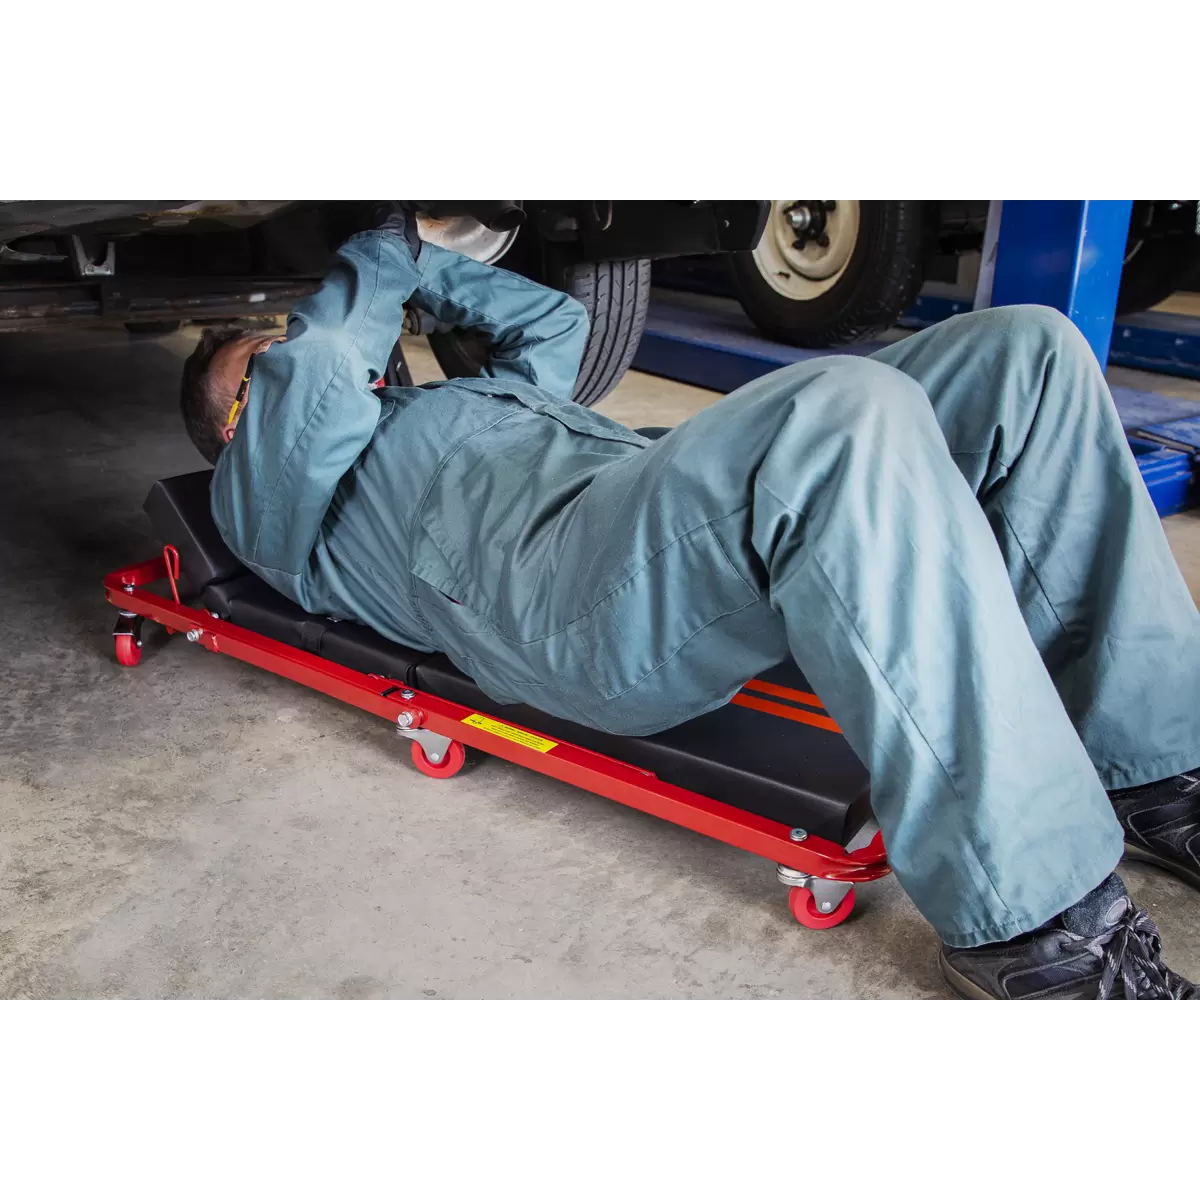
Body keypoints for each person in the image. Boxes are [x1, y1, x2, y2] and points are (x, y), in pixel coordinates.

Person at [179, 209, 1200, 1000]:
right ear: (231, 425)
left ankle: (1154, 769)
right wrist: (376, 251)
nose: (291, 350)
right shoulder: (264, 498)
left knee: (1029, 353)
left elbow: (554, 322)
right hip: (560, 606)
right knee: (840, 414)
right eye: (261, 361)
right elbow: (321, 369)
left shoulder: (445, 400)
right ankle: (1038, 931)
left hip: (634, 518)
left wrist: (421, 263)